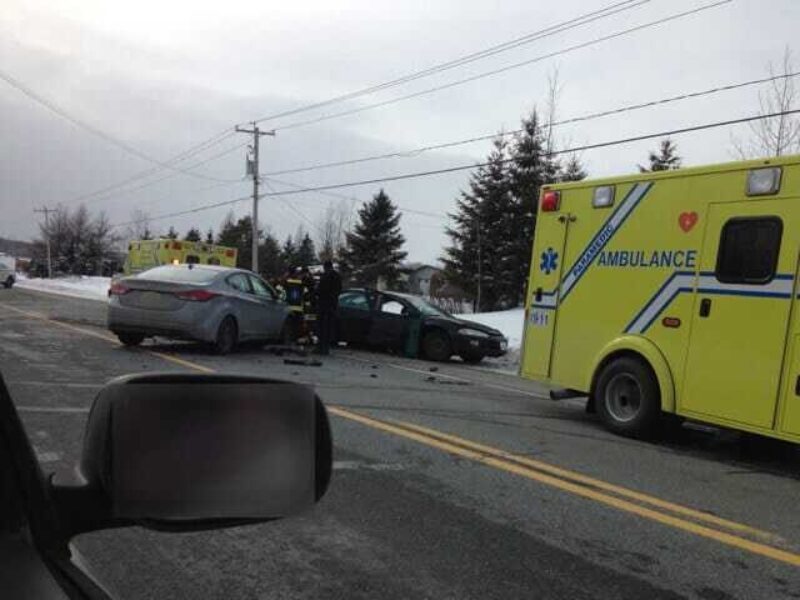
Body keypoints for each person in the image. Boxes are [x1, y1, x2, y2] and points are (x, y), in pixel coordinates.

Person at [315, 260, 342, 355]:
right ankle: (326, 348)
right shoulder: (337, 276)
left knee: (321, 327)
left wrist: (316, 293)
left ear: (325, 267)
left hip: (323, 304)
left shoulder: (325, 276)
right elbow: (339, 290)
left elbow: (319, 290)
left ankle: (320, 347)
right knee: (329, 327)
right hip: (333, 305)